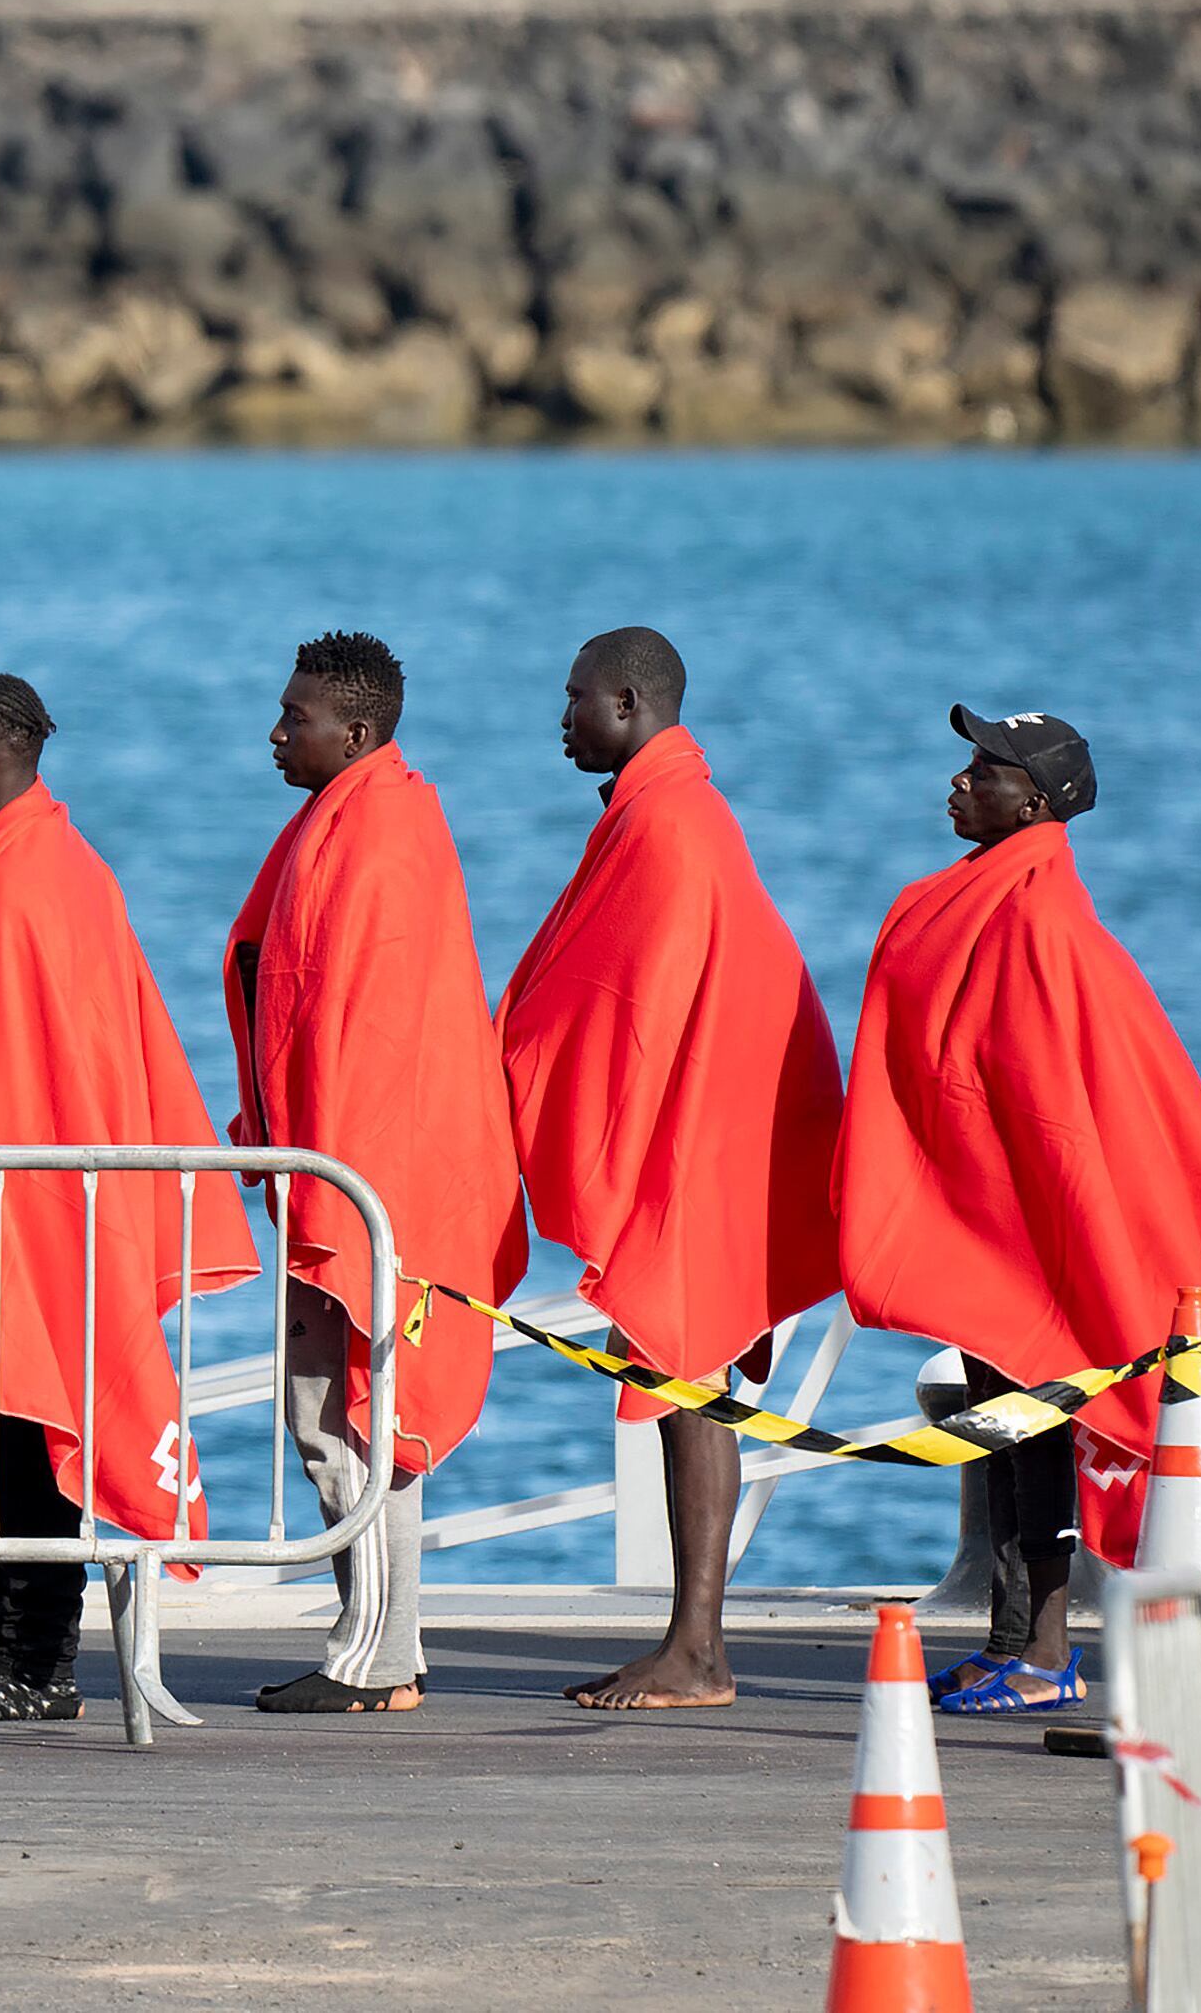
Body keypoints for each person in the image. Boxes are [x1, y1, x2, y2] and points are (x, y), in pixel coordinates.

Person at [836, 705, 1201, 1715]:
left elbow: (1055, 1107)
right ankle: (1013, 1639)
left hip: (1036, 1231)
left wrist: (1046, 1235)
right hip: (1001, 1224)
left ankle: (1044, 1654)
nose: (959, 782)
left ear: (1036, 801)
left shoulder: (1037, 916)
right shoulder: (993, 898)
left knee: (1032, 1428)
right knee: (1004, 1426)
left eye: (982, 770)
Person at [0, 674, 254, 1722]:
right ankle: (15, 1646)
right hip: (2, 1201)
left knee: (32, 1421)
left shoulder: (34, 877)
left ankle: (39, 1658)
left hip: (44, 1208)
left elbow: (57, 1069)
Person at [496, 628, 843, 1711]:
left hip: (712, 1142)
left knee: (690, 1378)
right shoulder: (663, 808)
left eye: (575, 696)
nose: (561, 716)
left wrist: (498, 1061)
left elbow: (625, 1004)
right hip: (715, 1132)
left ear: (630, 701)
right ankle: (691, 1642)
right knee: (682, 1375)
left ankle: (699, 1652)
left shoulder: (670, 822)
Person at [224, 631, 524, 1717]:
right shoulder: (340, 820)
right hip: (335, 1168)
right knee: (323, 1414)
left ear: (354, 733)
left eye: (293, 717)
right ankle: (372, 1641)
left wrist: (334, 1190)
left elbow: (377, 1034)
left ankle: (379, 1657)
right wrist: (267, 1122)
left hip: (377, 1182)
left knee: (367, 1411)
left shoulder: (383, 834)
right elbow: (305, 1004)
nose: (274, 731)